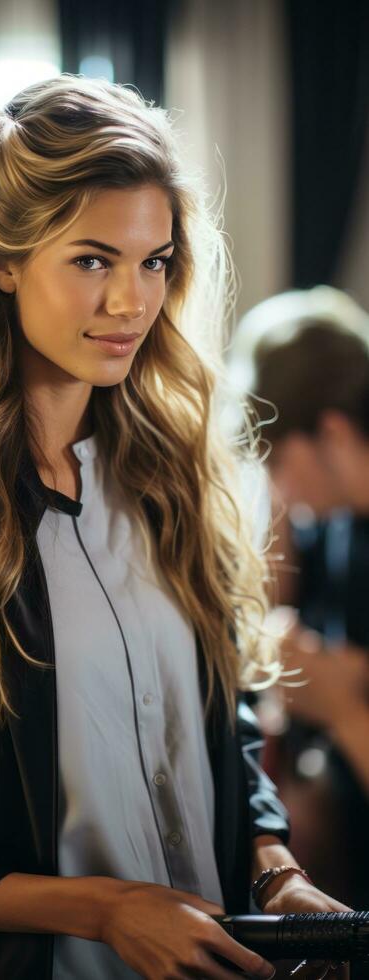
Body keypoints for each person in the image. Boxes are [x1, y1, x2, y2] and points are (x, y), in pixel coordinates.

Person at [0, 75, 349, 980]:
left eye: (154, 262)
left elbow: (218, 737)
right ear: (1, 259)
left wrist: (274, 872)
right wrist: (106, 911)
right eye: (92, 260)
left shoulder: (172, 486)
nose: (130, 304)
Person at [228, 286, 369, 921]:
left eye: (277, 459)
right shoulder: (335, 521)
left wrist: (343, 709)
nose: (273, 484)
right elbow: (261, 608)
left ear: (334, 433)